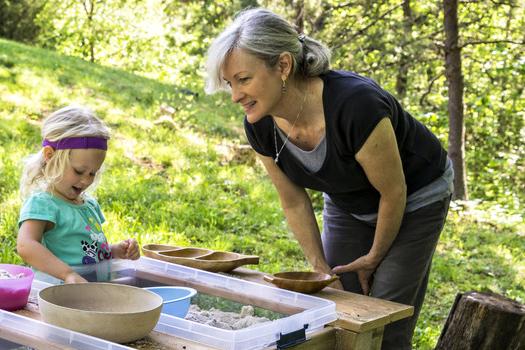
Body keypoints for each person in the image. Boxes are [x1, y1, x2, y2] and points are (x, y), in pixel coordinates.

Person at [205, 8, 453, 350]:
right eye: (230, 83)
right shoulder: (259, 125)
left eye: (244, 79)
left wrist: (374, 256)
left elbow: (393, 192)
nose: (235, 96)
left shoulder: (356, 105)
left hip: (415, 198)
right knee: (334, 305)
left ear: (283, 66)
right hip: (346, 199)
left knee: (383, 318)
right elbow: (292, 200)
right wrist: (320, 268)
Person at [17, 105, 140, 284]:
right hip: (58, 294)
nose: (85, 181)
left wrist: (114, 251)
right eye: (79, 171)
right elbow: (26, 246)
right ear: (50, 156)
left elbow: (86, 253)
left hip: (92, 292)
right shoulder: (43, 203)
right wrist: (68, 274)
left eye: (92, 173)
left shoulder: (88, 205)